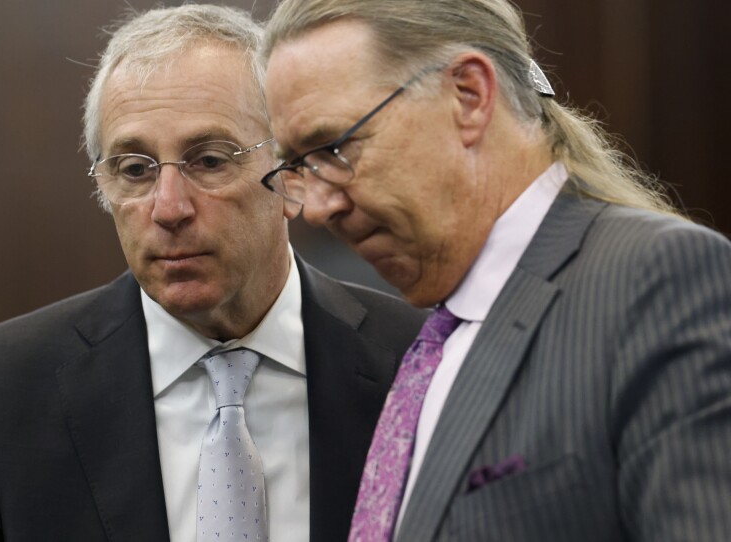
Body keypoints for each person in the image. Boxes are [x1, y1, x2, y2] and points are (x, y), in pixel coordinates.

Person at [0, 5, 427, 542]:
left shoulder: (418, 361)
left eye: (209, 160)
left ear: (292, 177)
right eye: (135, 170)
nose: (168, 208)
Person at [258, 0, 731, 541]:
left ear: (468, 96)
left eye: (335, 147)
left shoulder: (657, 281)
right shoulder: (427, 345)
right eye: (297, 167)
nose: (316, 208)